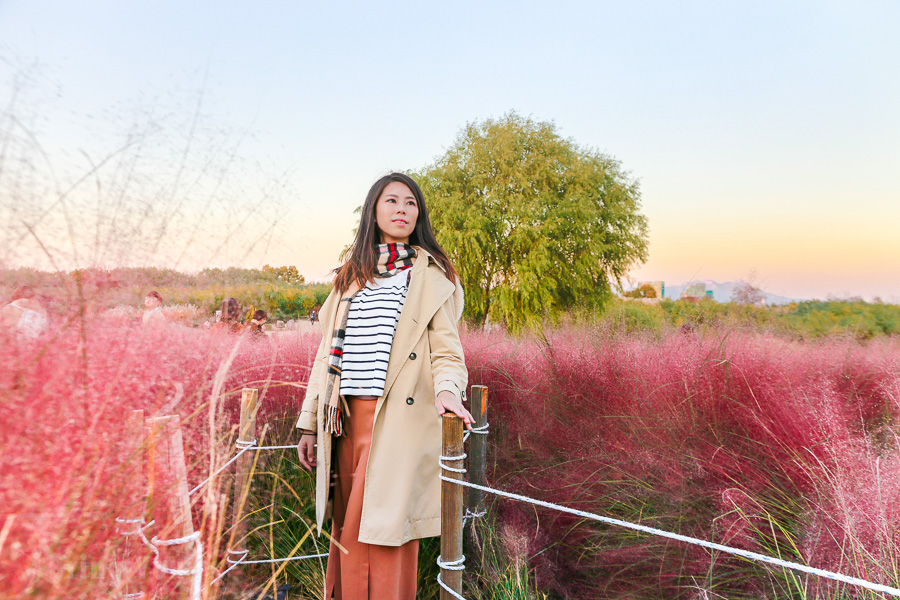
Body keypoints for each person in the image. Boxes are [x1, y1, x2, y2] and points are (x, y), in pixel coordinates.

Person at [296, 173, 473, 600]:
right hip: (342, 419)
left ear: (419, 214)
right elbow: (326, 356)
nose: (401, 209)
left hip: (394, 418)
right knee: (347, 530)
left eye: (410, 203)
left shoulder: (431, 276)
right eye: (391, 201)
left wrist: (449, 392)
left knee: (384, 531)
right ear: (373, 211)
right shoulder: (350, 279)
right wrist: (308, 421)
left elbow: (446, 350)